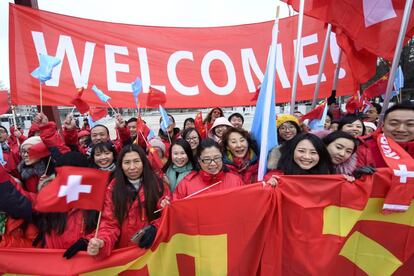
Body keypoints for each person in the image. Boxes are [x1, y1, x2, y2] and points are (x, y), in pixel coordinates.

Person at [87, 145, 169, 258]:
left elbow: (167, 216)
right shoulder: (112, 189)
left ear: (143, 162)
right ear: (120, 165)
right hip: (125, 252)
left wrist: (155, 228)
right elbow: (110, 224)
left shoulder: (159, 185)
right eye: (127, 163)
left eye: (136, 161)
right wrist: (102, 242)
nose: (132, 167)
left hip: (153, 251)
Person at [33, 152, 100, 256]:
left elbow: (108, 228)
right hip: (53, 264)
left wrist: (88, 241)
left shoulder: (97, 201)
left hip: (84, 265)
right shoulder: (47, 201)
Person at [172, 139, 244, 200]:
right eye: (207, 159)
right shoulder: (186, 184)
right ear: (199, 160)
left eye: (217, 158)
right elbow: (176, 208)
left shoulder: (235, 181)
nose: (213, 164)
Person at [357, 102, 414, 168]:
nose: (401, 129)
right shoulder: (363, 147)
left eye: (410, 124)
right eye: (394, 123)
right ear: (383, 126)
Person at [265, 133, 334, 183]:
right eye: (301, 151)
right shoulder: (276, 176)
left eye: (313, 152)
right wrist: (268, 185)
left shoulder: (329, 177)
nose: (307, 157)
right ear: (292, 152)